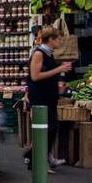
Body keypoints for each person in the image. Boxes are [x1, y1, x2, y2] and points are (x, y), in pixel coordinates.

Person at [25, 22, 72, 168]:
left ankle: (40, 158)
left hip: (48, 96)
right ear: (50, 39)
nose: (60, 42)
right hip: (40, 97)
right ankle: (36, 160)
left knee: (50, 128)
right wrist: (59, 70)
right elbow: (35, 76)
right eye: (58, 39)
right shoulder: (39, 53)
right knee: (47, 128)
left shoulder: (49, 54)